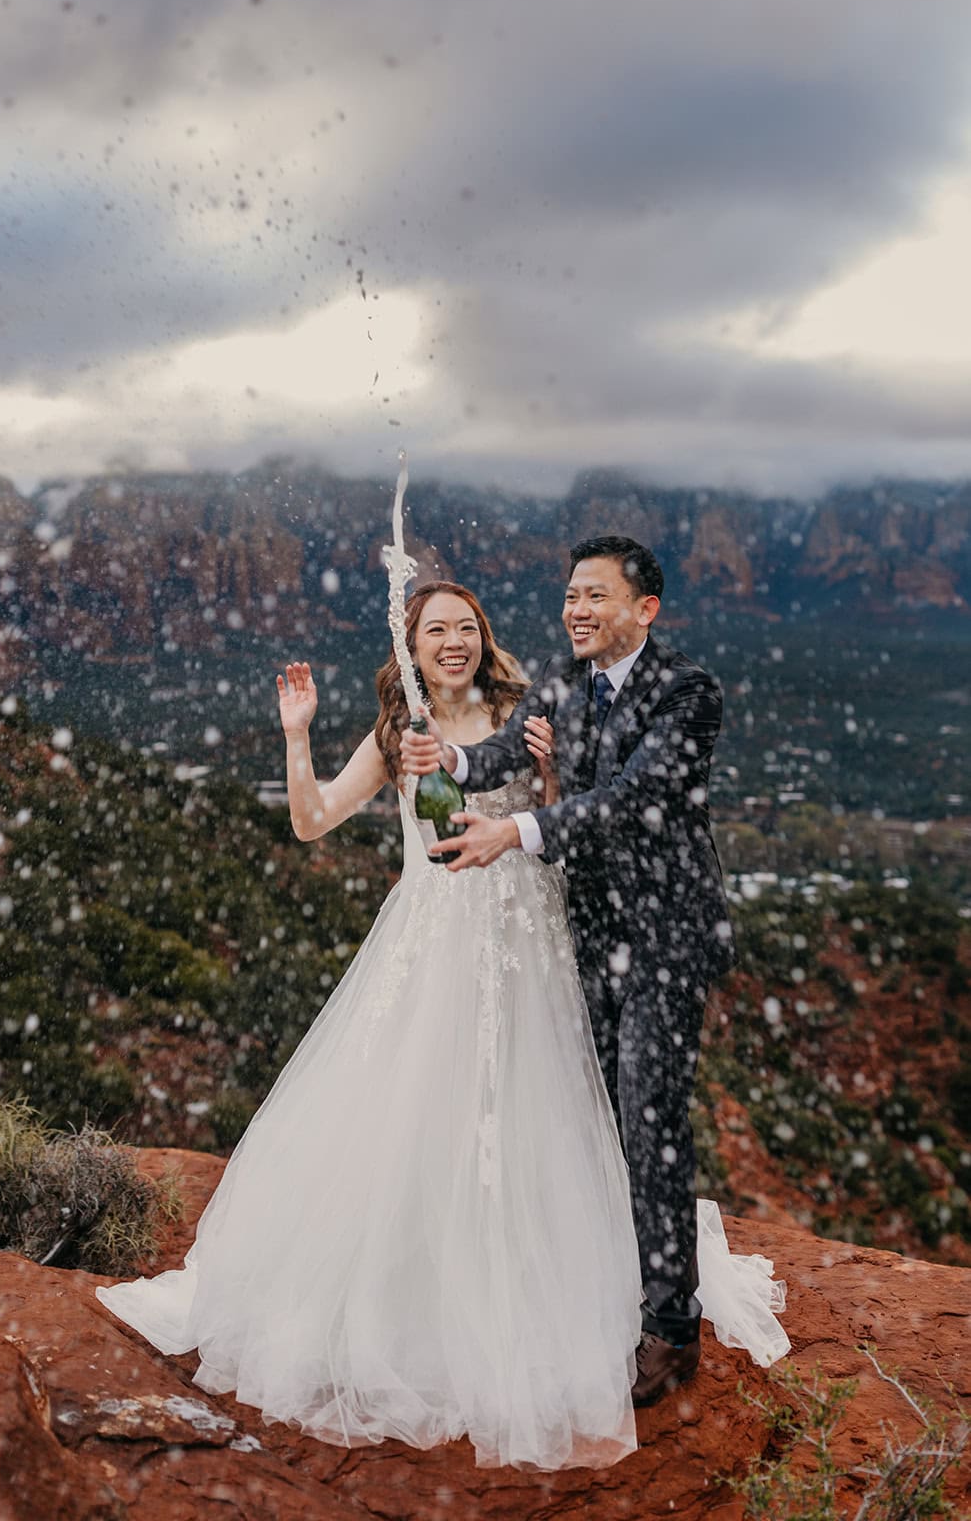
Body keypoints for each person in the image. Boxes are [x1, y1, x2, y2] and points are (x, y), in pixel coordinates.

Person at [96, 577, 787, 1472]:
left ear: (483, 637)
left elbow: (570, 808)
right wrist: (298, 731)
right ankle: (428, 1298)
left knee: (550, 1108)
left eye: (466, 628)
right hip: (437, 948)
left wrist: (546, 772)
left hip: (533, 947)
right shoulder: (397, 737)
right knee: (427, 1112)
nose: (453, 643)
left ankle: (602, 1296)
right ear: (411, 648)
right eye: (435, 632)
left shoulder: (527, 708)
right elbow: (311, 823)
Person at [400, 536, 739, 1408]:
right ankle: (619, 1283)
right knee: (603, 1112)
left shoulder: (687, 694)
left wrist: (512, 833)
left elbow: (636, 798)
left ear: (644, 610)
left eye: (593, 596)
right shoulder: (563, 679)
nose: (575, 610)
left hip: (665, 935)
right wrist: (452, 762)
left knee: (649, 1111)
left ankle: (670, 1328)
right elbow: (505, 751)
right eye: (568, 595)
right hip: (589, 934)